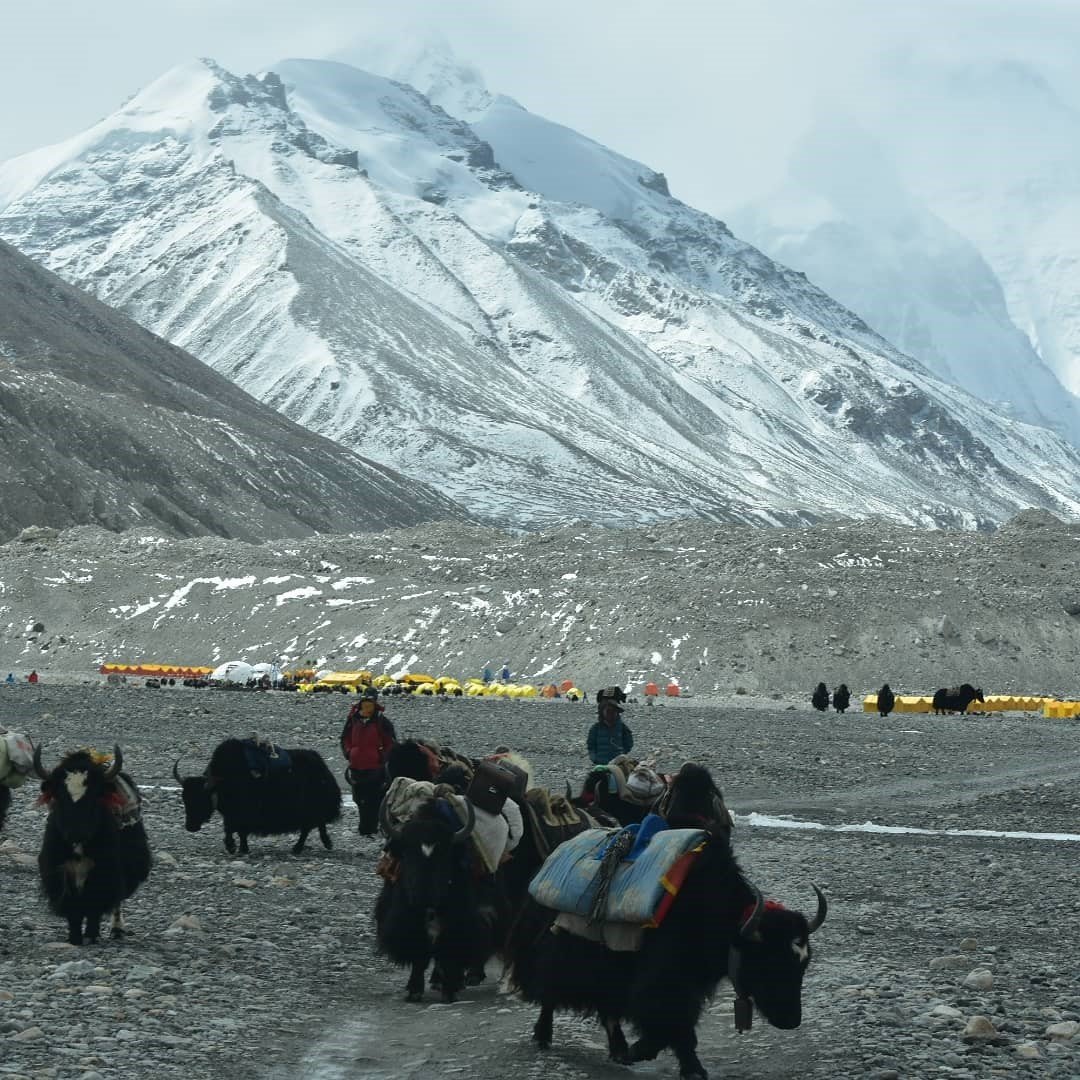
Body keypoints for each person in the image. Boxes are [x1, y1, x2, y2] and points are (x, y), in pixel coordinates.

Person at [340, 686, 397, 835]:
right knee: (359, 798)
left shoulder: (382, 721)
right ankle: (364, 825)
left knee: (374, 797)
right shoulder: (353, 719)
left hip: (375, 768)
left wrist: (382, 757)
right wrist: (349, 752)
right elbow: (345, 738)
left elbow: (390, 743)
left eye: (369, 702)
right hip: (357, 765)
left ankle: (371, 826)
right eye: (365, 701)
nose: (366, 705)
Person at [587, 687, 633, 765]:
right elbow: (591, 746)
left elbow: (629, 743)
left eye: (613, 711)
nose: (610, 713)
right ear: (602, 712)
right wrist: (595, 759)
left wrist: (621, 755)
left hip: (618, 764)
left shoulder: (622, 728)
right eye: (608, 711)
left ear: (617, 712)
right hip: (601, 764)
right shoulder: (595, 729)